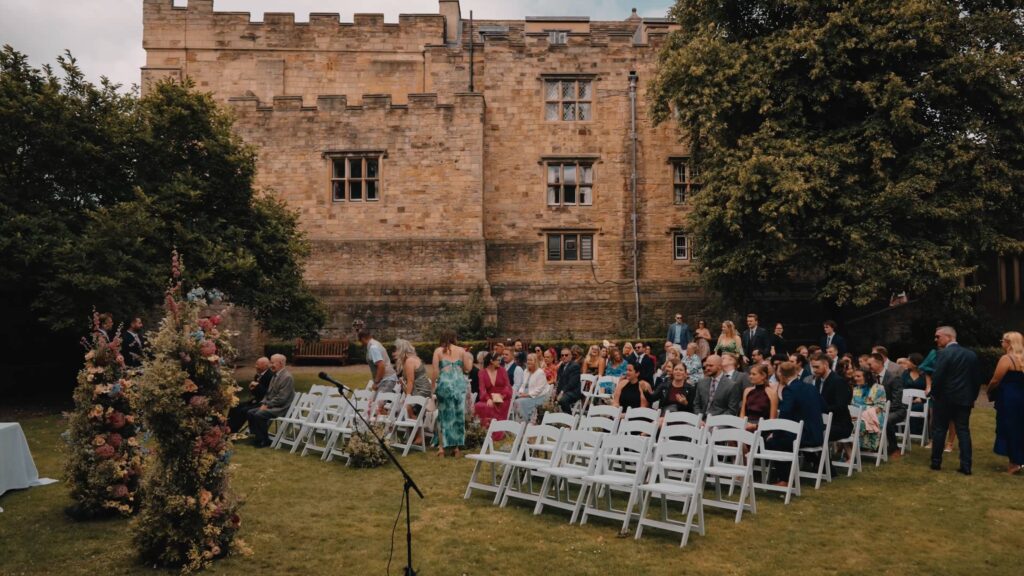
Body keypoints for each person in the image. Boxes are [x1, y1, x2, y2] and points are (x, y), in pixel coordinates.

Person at [767, 361, 826, 484]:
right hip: (817, 433)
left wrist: (774, 433)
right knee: (782, 438)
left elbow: (784, 415)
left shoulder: (789, 390)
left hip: (804, 435)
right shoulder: (811, 387)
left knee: (775, 442)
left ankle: (785, 478)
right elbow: (823, 407)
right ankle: (817, 463)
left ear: (782, 376)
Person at [433, 331, 473, 458]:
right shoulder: (462, 351)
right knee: (458, 415)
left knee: (443, 415)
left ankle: (441, 448)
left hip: (445, 384)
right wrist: (469, 359)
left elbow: (435, 371)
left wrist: (432, 386)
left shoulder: (438, 351)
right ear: (454, 338)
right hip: (459, 384)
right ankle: (456, 448)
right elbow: (468, 369)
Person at [989, 331, 1024, 475]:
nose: (1001, 343)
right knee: (1020, 428)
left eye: (1002, 341)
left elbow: (996, 379)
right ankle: (1017, 460)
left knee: (1009, 429)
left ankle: (1014, 463)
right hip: (1021, 397)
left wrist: (990, 389)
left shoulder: (1007, 359)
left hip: (1009, 398)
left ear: (1009, 343)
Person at [247, 354, 296, 448]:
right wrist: (263, 403)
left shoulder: (287, 377)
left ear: (281, 363)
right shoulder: (275, 375)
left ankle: (265, 440)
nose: (270, 365)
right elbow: (268, 394)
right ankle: (258, 437)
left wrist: (267, 405)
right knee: (250, 412)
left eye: (272, 363)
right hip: (273, 405)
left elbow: (282, 398)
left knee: (259, 414)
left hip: (281, 408)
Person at [868, 352, 906, 459]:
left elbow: (897, 401)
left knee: (885, 419)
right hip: (878, 408)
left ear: (879, 363)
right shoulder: (871, 377)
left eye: (870, 364)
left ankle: (894, 447)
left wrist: (882, 410)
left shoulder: (894, 378)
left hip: (897, 410)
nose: (869, 367)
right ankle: (872, 445)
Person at [810, 353, 853, 442]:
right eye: (813, 367)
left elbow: (841, 406)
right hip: (823, 422)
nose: (814, 370)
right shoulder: (818, 380)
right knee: (804, 430)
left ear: (826, 365)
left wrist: (820, 409)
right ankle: (814, 456)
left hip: (840, 424)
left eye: (817, 367)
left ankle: (817, 456)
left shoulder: (838, 381)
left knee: (815, 433)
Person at [228, 356, 272, 433]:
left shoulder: (270, 376)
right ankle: (227, 427)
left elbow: (268, 393)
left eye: (258, 364)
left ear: (265, 366)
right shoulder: (257, 375)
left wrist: (257, 386)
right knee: (235, 406)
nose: (256, 366)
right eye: (256, 364)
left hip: (264, 403)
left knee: (244, 411)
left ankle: (233, 430)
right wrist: (253, 389)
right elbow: (256, 393)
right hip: (256, 400)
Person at [850, 368, 887, 455]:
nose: (855, 378)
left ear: (867, 377)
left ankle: (852, 452)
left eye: (858, 376)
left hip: (873, 416)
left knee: (856, 425)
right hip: (856, 415)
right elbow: (852, 404)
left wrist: (861, 414)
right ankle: (849, 449)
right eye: (854, 376)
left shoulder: (879, 388)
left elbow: (879, 407)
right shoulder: (855, 389)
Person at [476, 352, 513, 433]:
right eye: (498, 360)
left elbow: (507, 386)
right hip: (489, 397)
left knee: (495, 406)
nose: (500, 362)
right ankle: (484, 430)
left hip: (503, 397)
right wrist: (488, 399)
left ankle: (495, 431)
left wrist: (502, 396)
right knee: (479, 406)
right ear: (491, 361)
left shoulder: (502, 370)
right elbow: (482, 389)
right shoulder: (482, 372)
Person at [358, 328, 398, 394]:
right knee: (376, 402)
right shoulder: (375, 343)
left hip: (386, 380)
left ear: (362, 339)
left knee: (378, 403)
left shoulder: (373, 347)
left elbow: (381, 366)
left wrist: (376, 382)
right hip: (386, 379)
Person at [514, 353, 550, 423]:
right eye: (528, 360)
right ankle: (518, 420)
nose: (528, 362)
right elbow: (522, 385)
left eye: (531, 360)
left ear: (535, 361)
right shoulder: (526, 371)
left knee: (518, 402)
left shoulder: (540, 372)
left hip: (538, 396)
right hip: (526, 393)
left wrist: (526, 395)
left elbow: (539, 390)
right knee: (513, 398)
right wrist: (520, 393)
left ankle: (524, 421)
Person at [740, 364, 778, 431]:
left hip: (762, 427)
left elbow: (772, 419)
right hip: (746, 424)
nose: (750, 376)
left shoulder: (772, 393)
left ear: (763, 376)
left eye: (754, 374)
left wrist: (756, 426)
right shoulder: (747, 390)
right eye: (750, 374)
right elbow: (742, 413)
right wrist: (743, 424)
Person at [556, 346, 583, 413]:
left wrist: (561, 392)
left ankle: (568, 419)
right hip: (564, 391)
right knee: (548, 398)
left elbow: (572, 384)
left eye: (566, 355)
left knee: (562, 400)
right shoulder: (561, 366)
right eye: (562, 355)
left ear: (571, 356)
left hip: (573, 392)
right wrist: (556, 392)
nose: (564, 357)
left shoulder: (575, 366)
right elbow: (559, 381)